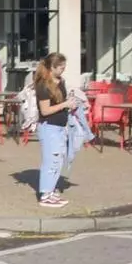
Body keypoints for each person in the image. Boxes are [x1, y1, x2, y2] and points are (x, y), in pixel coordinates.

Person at [34, 52, 76, 208]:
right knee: (51, 161)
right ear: (52, 67)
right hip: (49, 127)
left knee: (58, 160)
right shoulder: (43, 85)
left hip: (59, 127)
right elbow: (45, 111)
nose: (63, 70)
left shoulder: (60, 82)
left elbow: (60, 102)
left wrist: (70, 104)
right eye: (61, 67)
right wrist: (64, 105)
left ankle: (51, 190)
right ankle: (45, 194)